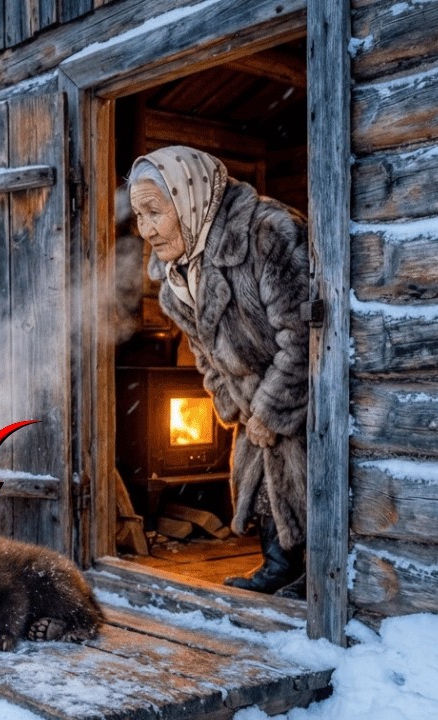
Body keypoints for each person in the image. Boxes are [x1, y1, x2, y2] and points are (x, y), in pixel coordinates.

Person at [127, 146, 309, 597]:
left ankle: (318, 572)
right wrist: (232, 402)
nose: (145, 229)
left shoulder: (267, 233)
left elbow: (304, 333)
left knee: (309, 476)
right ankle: (279, 565)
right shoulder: (175, 276)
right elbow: (203, 352)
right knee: (265, 475)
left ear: (190, 198)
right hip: (252, 397)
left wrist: (272, 406)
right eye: (138, 215)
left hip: (303, 390)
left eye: (154, 212)